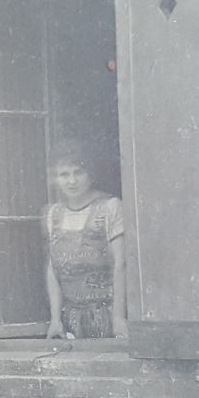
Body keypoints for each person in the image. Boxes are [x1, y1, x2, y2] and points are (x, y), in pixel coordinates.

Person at [42, 142, 127, 340]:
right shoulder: (53, 214)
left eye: (78, 172)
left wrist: (119, 318)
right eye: (64, 175)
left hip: (105, 315)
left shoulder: (110, 207)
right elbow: (52, 269)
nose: (71, 181)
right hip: (71, 319)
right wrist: (55, 319)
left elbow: (121, 264)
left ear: (90, 175)